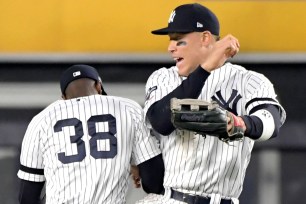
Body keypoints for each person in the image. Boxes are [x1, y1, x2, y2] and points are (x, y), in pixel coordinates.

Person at [137, 3, 286, 204]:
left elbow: (271, 122)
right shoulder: (163, 78)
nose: (170, 48)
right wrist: (205, 68)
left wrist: (239, 124)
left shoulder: (248, 80)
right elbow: (161, 121)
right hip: (173, 199)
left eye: (179, 41)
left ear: (205, 38)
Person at [17, 64, 164, 204]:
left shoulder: (41, 119)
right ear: (99, 86)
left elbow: (27, 197)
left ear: (63, 97)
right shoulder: (128, 108)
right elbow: (154, 183)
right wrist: (130, 164)